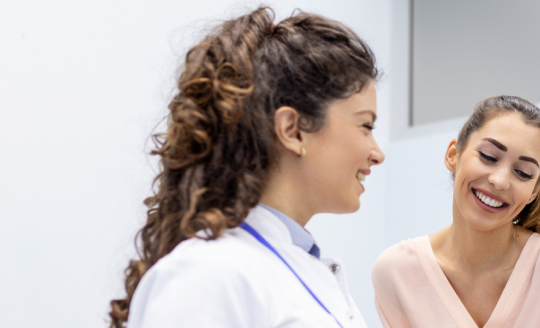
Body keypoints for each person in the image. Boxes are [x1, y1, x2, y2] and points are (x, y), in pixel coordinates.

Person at [109, 7, 384, 328]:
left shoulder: (299, 269)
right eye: (365, 125)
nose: (376, 153)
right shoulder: (208, 274)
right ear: (292, 130)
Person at [371, 96, 540, 328]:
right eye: (488, 156)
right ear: (453, 155)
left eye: (523, 173)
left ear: (534, 191)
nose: (500, 181)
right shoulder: (397, 273)